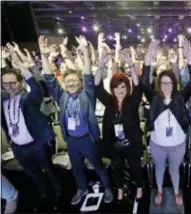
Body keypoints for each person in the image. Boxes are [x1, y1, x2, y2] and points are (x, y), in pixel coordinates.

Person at [41, 35, 113, 205]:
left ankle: (108, 188)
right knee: (77, 168)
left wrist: (86, 53)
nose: (71, 84)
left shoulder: (87, 95)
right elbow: (50, 79)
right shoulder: (62, 96)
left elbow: (88, 75)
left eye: (74, 81)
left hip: (88, 139)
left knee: (98, 166)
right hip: (72, 141)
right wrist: (45, 57)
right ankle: (82, 189)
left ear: (80, 83)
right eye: (67, 82)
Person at [141, 39, 191, 206]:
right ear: (159, 84)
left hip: (177, 145)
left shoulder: (180, 98)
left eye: (170, 82)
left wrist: (189, 59)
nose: (166, 86)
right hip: (157, 144)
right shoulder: (155, 98)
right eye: (163, 83)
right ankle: (159, 190)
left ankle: (175, 191)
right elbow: (144, 83)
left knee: (174, 170)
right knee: (159, 169)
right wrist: (149, 57)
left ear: (174, 84)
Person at [0, 52, 62, 207]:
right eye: (5, 84)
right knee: (33, 173)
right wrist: (2, 62)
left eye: (13, 83)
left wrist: (21, 66)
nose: (10, 87)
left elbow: (36, 88)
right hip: (18, 147)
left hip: (37, 144)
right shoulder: (3, 99)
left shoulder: (28, 98)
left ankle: (60, 193)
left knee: (49, 170)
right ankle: (43, 193)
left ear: (20, 82)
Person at [94, 46, 143, 201]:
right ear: (112, 88)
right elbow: (96, 87)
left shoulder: (132, 101)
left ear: (127, 88)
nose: (119, 90)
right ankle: (120, 189)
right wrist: (101, 65)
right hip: (114, 143)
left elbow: (138, 86)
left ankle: (139, 187)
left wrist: (131, 64)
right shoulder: (109, 101)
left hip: (131, 143)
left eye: (123, 87)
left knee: (135, 167)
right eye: (116, 87)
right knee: (117, 168)